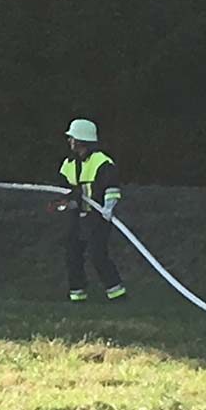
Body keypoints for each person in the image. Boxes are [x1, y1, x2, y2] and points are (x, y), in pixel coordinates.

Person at [58, 118, 125, 302]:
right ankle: (77, 295)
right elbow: (62, 191)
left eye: (72, 138)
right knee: (72, 254)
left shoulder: (101, 162)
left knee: (98, 255)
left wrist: (108, 208)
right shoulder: (68, 164)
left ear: (80, 140)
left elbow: (111, 189)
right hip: (76, 217)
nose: (69, 141)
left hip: (97, 217)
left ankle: (116, 293)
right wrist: (68, 203)